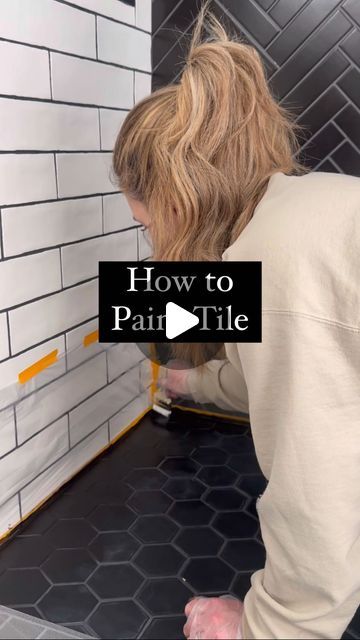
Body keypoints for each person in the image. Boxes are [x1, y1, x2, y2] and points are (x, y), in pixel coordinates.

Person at [112, 2, 360, 638]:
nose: (151, 248)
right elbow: (282, 372)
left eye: (145, 225)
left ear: (173, 202)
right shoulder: (294, 215)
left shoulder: (275, 258)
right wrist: (190, 384)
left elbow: (319, 495)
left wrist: (261, 626)